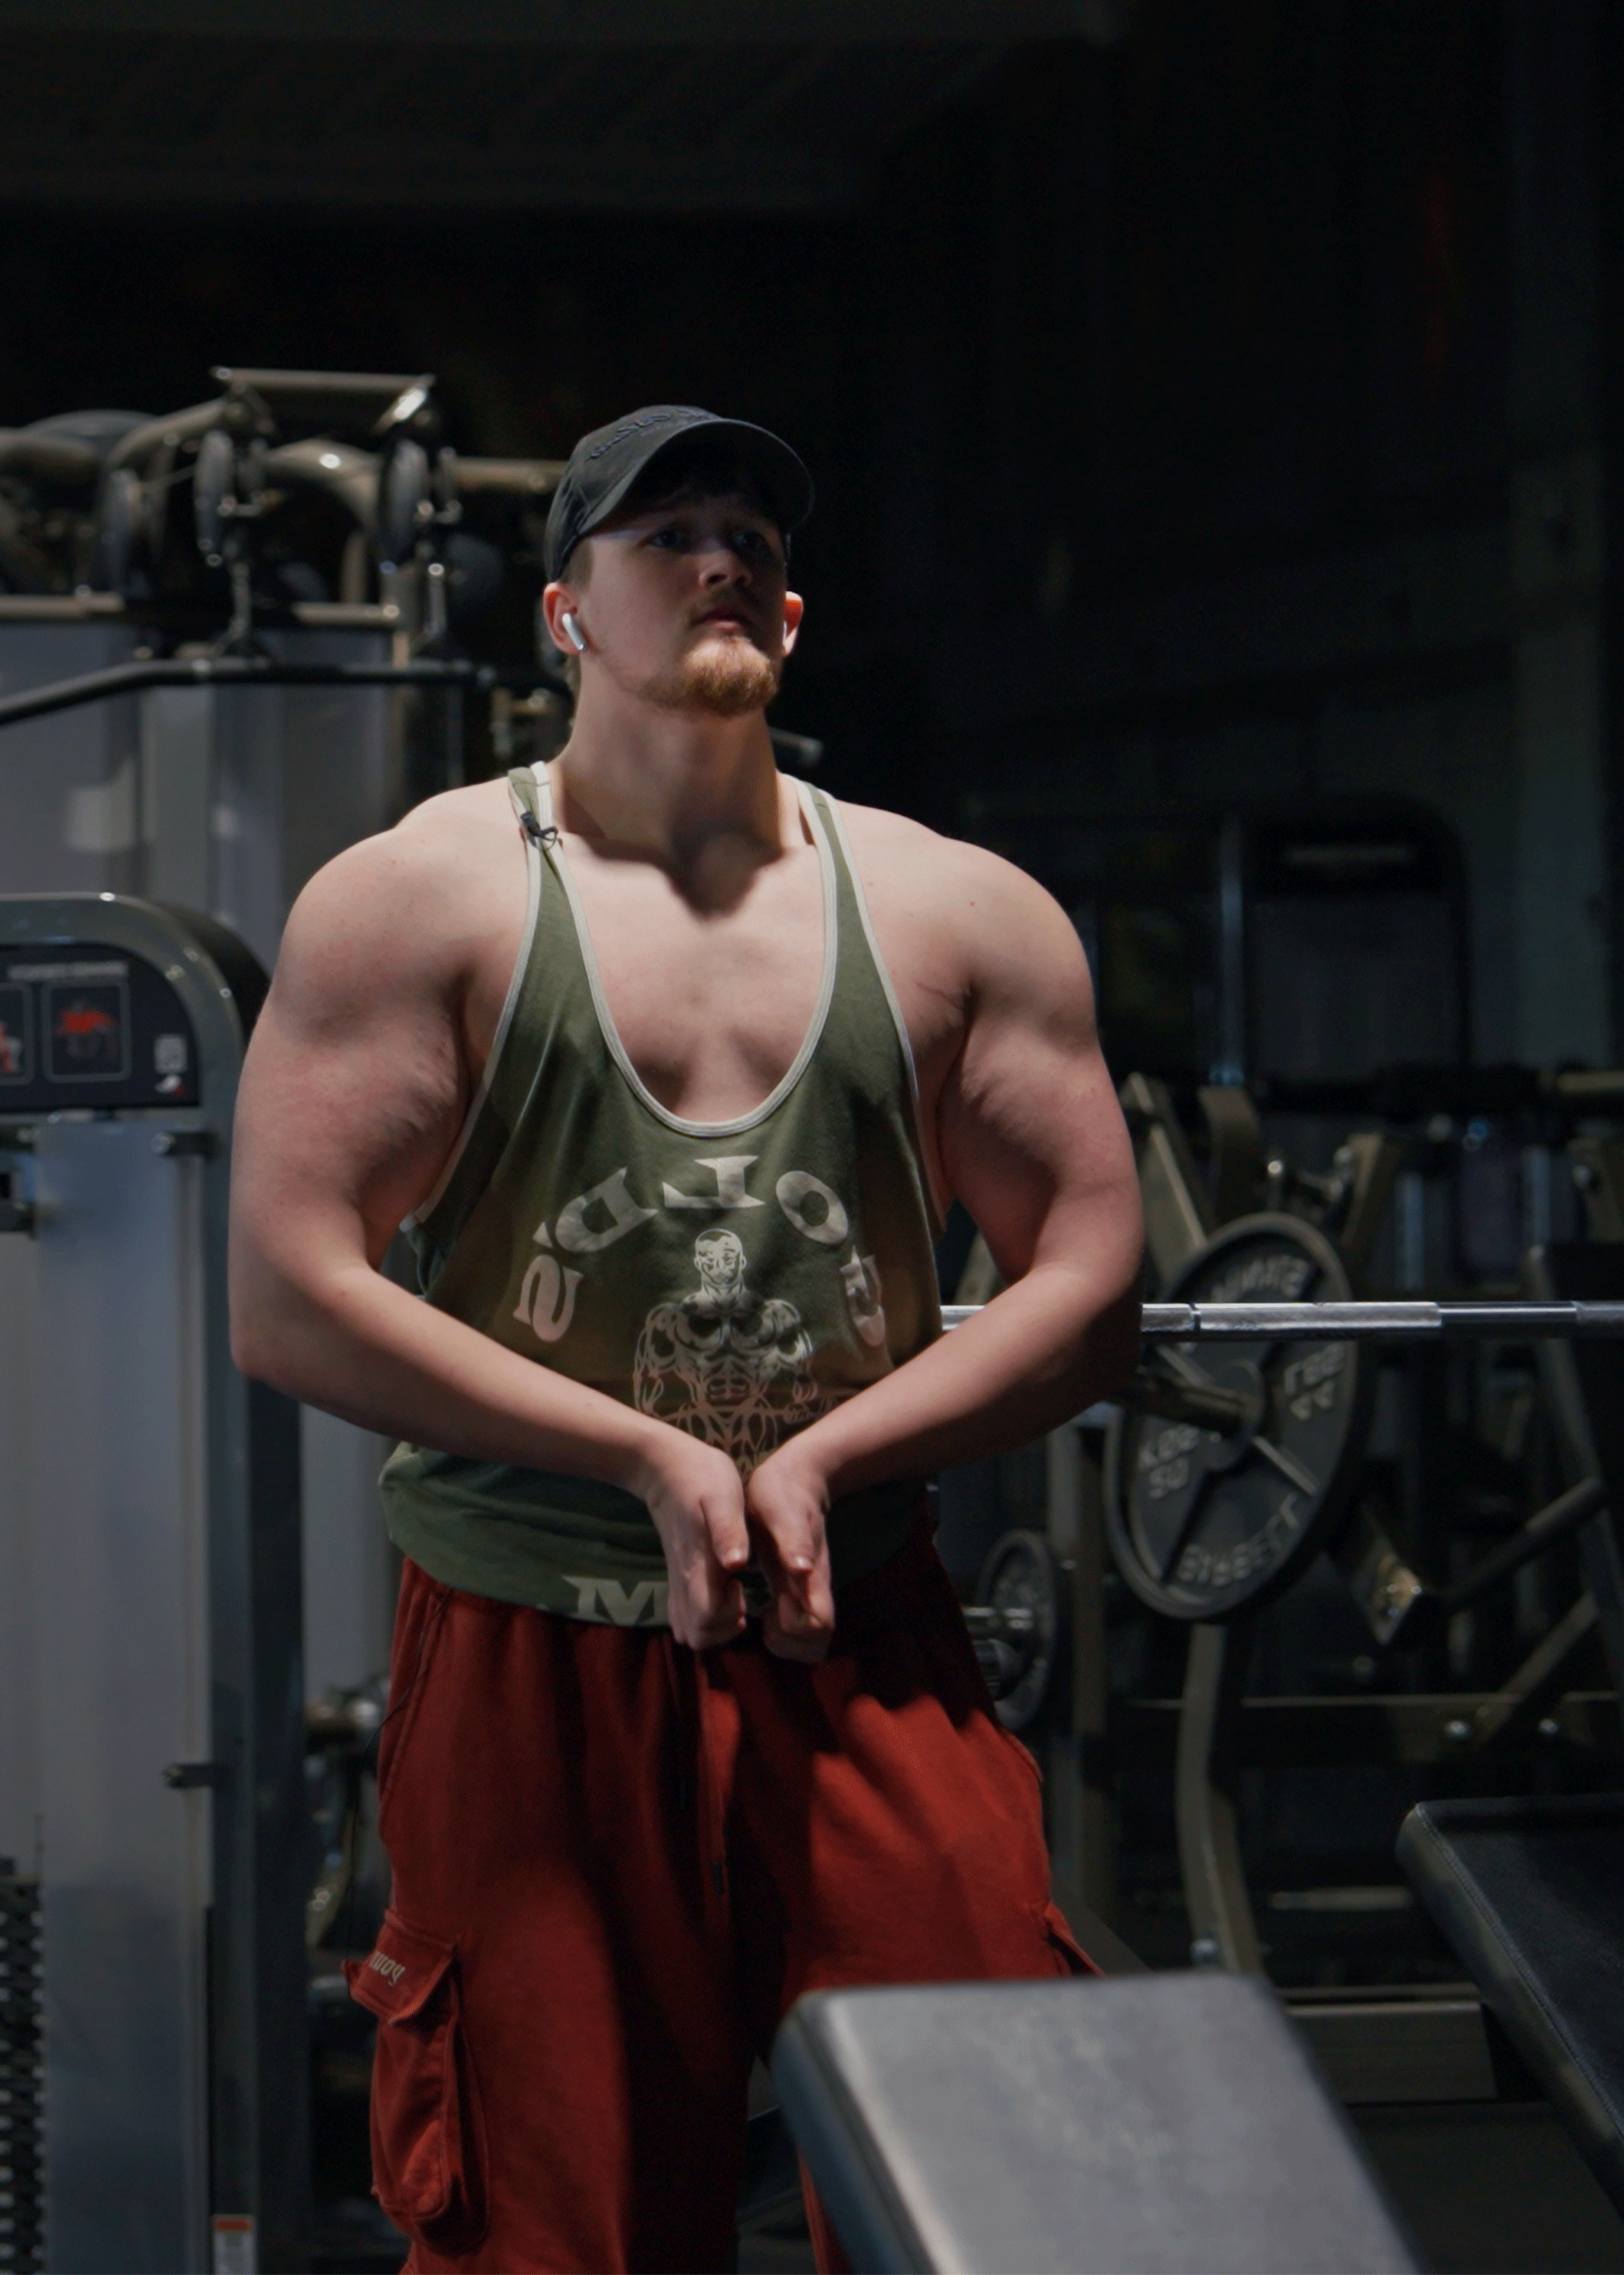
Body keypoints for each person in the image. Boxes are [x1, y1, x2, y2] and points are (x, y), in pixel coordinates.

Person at [228, 404, 1144, 2272]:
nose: (719, 551)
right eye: (666, 533)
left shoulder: (959, 910)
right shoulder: (422, 901)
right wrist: (641, 1452)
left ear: (789, 621)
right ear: (567, 612)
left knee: (998, 2192)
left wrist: (826, 1455)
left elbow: (1090, 1282)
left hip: (856, 1629)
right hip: (533, 1654)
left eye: (748, 532)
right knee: (553, 2227)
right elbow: (287, 1291)